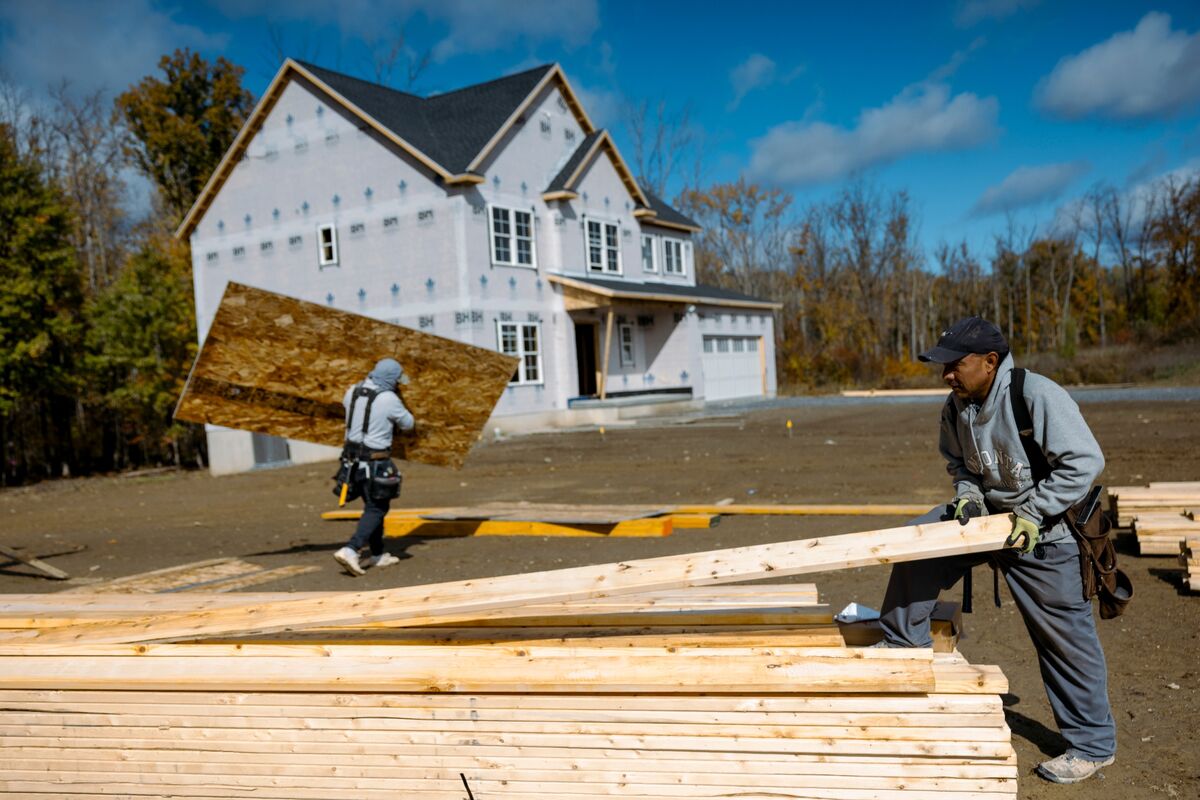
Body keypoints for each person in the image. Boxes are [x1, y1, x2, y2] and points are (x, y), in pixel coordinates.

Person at [876, 316, 1116, 785]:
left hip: (1044, 531)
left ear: (990, 362)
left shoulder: (1035, 395)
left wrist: (1034, 512)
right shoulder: (957, 405)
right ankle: (904, 647)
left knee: (1065, 638)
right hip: (986, 518)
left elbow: (1085, 462)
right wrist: (967, 493)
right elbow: (959, 463)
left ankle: (1092, 745)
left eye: (954, 365)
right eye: (942, 367)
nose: (946, 375)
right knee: (916, 541)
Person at [332, 358, 415, 576]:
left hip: (351, 462)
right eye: (397, 380)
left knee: (372, 506)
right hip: (375, 462)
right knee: (378, 508)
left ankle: (377, 554)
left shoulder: (353, 391)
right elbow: (408, 424)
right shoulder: (389, 399)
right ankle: (351, 549)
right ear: (391, 379)